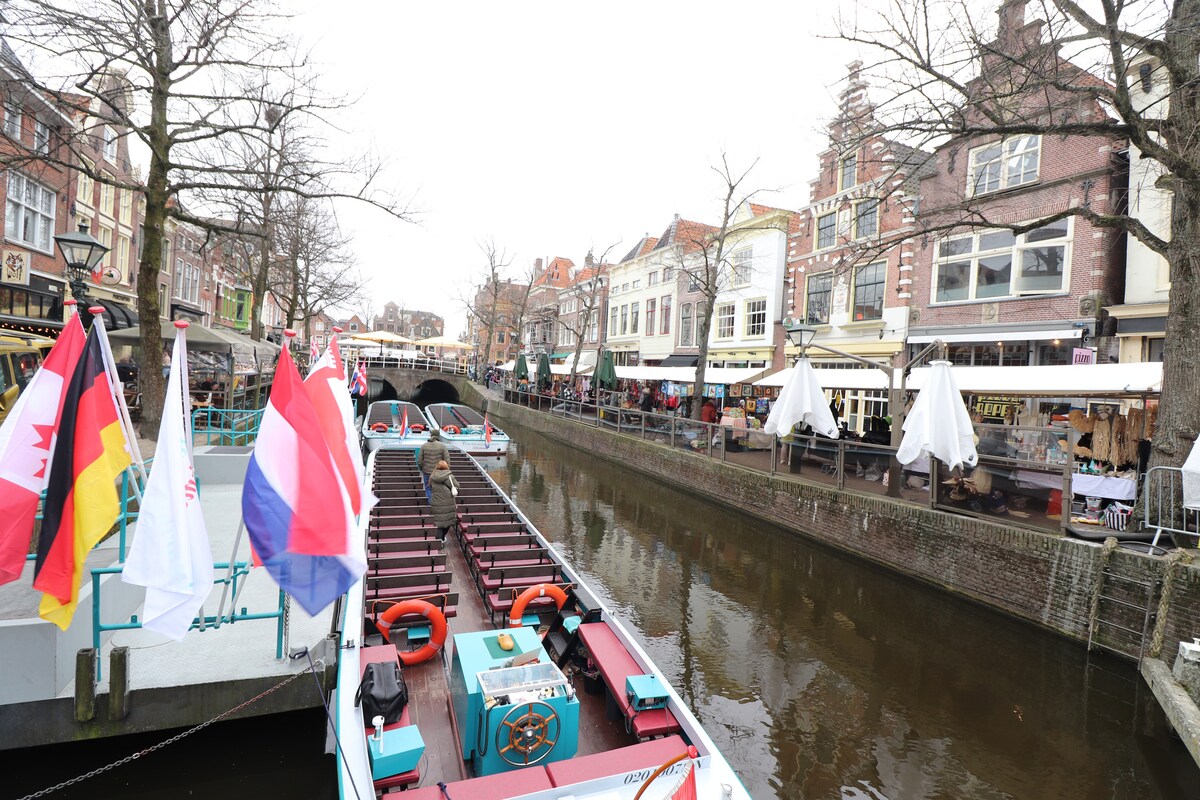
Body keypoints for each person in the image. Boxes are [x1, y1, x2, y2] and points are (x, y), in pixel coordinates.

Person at [428, 459, 460, 540]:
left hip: (436, 501)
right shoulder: (449, 476)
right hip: (448, 502)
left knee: (439, 523)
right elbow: (456, 486)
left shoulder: (432, 476)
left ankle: (439, 540)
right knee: (447, 522)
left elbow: (430, 486)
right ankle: (441, 538)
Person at [418, 428, 450, 499]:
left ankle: (430, 503)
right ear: (438, 436)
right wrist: (446, 472)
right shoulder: (443, 446)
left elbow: (420, 461)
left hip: (427, 472)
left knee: (428, 488)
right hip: (439, 473)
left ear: (431, 435)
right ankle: (438, 503)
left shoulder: (424, 446)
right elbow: (447, 461)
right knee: (439, 489)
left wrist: (422, 469)